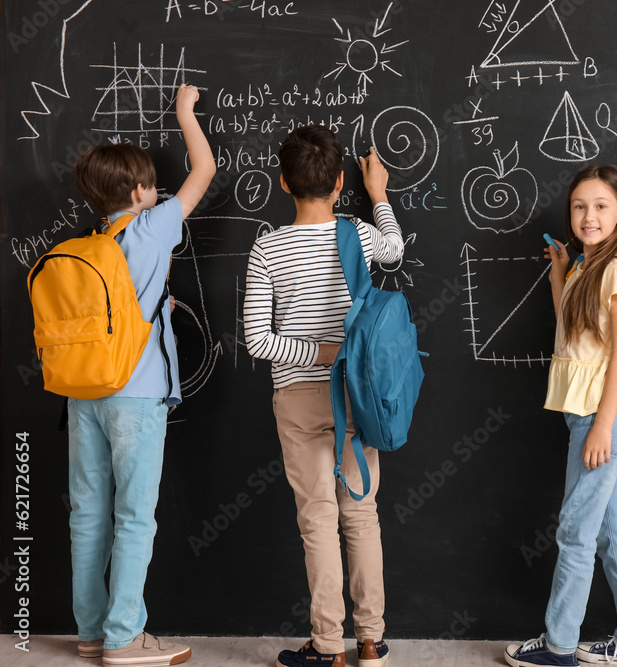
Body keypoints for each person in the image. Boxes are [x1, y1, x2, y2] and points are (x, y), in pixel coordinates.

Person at [243, 125, 403, 667]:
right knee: (361, 515)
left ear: (284, 182)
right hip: (356, 395)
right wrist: (378, 193)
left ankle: (328, 645)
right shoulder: (357, 232)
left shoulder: (266, 247)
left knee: (317, 518)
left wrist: (316, 353)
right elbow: (395, 250)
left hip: (298, 397)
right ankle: (371, 641)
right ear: (340, 182)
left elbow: (258, 341)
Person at [68, 84, 216, 666]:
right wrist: (184, 112)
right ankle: (125, 638)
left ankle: (89, 632)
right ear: (138, 191)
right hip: (136, 395)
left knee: (87, 513)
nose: (158, 190)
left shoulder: (89, 242)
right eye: (152, 183)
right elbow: (205, 167)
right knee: (134, 517)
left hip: (84, 395)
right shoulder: (153, 228)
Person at [505, 165, 617, 667]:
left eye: (599, 206)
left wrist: (600, 425)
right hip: (589, 414)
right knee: (611, 530)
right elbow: (574, 330)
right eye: (578, 206)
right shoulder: (585, 268)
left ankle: (559, 646)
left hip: (605, 415)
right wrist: (558, 274)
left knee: (575, 530)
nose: (587, 215)